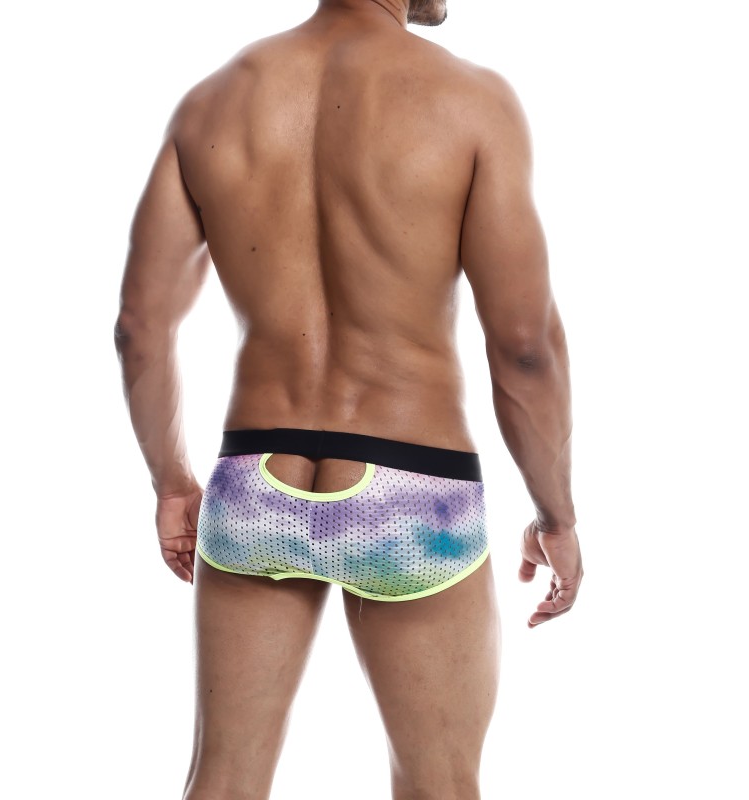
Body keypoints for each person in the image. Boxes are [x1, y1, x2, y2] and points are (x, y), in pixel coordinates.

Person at [114, 1, 583, 797]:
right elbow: (525, 346)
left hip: (254, 481)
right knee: (440, 786)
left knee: (221, 781)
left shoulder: (214, 101)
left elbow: (139, 327)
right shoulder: (471, 101)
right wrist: (557, 516)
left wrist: (170, 483)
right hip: (416, 493)